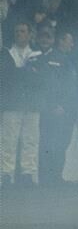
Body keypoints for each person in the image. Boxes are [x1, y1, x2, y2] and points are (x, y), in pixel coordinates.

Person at [1, 21, 44, 186]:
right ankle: (6, 173)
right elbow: (6, 76)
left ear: (29, 34)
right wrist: (25, 73)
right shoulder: (6, 53)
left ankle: (28, 172)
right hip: (12, 103)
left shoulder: (36, 54)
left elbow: (38, 79)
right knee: (8, 140)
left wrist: (20, 74)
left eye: (23, 31)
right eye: (17, 31)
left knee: (30, 139)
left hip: (31, 104)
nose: (20, 34)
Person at [39, 27, 78, 185]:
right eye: (70, 41)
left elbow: (73, 87)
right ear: (61, 41)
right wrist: (55, 104)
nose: (72, 44)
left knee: (62, 143)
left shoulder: (68, 59)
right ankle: (48, 176)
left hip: (68, 109)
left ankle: (56, 175)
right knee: (51, 142)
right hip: (56, 109)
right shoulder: (53, 59)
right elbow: (51, 85)